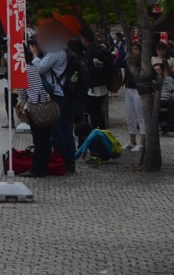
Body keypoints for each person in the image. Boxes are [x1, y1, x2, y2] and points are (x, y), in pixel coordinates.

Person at [27, 31, 76, 175]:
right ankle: (68, 161)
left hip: (58, 95)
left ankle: (61, 161)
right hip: (64, 94)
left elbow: (39, 69)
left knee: (59, 130)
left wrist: (35, 55)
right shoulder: (63, 50)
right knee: (66, 129)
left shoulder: (55, 52)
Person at [80, 28, 112, 132]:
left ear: (84, 39)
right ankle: (103, 136)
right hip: (103, 85)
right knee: (98, 114)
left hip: (92, 88)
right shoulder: (102, 49)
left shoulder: (89, 53)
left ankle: (100, 139)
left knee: (94, 116)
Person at [120, 42, 143, 151]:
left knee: (141, 116)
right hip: (129, 89)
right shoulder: (129, 62)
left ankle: (143, 142)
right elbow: (116, 63)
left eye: (136, 49)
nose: (133, 51)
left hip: (138, 90)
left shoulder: (143, 63)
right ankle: (132, 141)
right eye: (132, 49)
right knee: (130, 117)